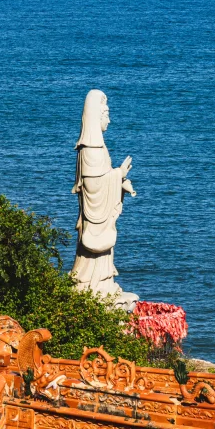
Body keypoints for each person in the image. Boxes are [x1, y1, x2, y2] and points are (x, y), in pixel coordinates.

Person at [71, 89, 139, 311]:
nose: (108, 120)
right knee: (94, 252)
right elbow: (92, 187)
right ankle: (90, 284)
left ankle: (103, 282)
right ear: (94, 117)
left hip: (102, 215)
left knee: (104, 256)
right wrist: (118, 173)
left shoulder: (98, 147)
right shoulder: (90, 149)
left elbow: (102, 179)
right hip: (95, 218)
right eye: (105, 114)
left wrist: (119, 183)